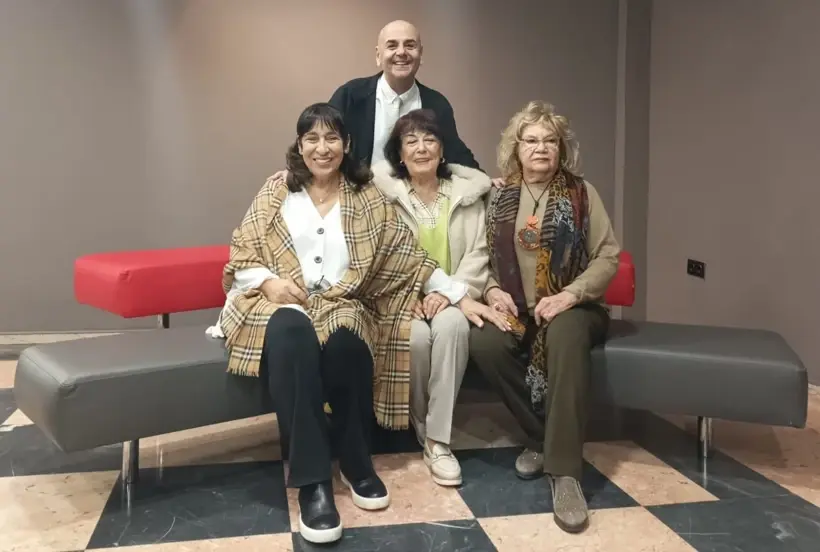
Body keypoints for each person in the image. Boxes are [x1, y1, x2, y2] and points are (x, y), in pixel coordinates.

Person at [211, 103, 501, 545]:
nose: (322, 148)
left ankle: (354, 459)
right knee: (294, 335)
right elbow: (242, 251)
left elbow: (408, 255)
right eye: (312, 138)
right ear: (300, 146)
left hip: (341, 300)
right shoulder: (276, 192)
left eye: (332, 138)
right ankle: (313, 481)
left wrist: (460, 295)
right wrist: (269, 282)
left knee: (348, 340)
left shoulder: (366, 196)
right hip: (277, 300)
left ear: (346, 144)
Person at [468, 100, 621, 534]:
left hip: (576, 308)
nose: (541, 148)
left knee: (565, 334)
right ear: (516, 148)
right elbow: (482, 259)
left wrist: (570, 294)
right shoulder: (498, 196)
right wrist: (491, 290)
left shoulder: (582, 193)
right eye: (531, 140)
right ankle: (541, 437)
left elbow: (607, 257)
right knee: (484, 341)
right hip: (519, 310)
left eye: (550, 141)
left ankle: (565, 472)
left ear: (561, 148)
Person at [371, 109, 508, 486]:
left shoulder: (468, 195)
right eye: (411, 141)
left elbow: (480, 252)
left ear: (443, 149)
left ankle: (437, 440)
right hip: (406, 297)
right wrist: (411, 293)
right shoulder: (384, 197)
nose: (421, 148)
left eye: (429, 139)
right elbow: (384, 253)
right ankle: (421, 421)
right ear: (399, 154)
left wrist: (453, 294)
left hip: (455, 298)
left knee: (452, 329)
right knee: (415, 338)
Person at [328, 19, 480, 170]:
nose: (401, 52)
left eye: (410, 45)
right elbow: (325, 143)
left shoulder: (437, 104)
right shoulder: (350, 96)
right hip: (360, 185)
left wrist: (484, 179)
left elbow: (456, 155)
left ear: (420, 54)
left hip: (418, 186)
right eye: (392, 45)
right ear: (378, 55)